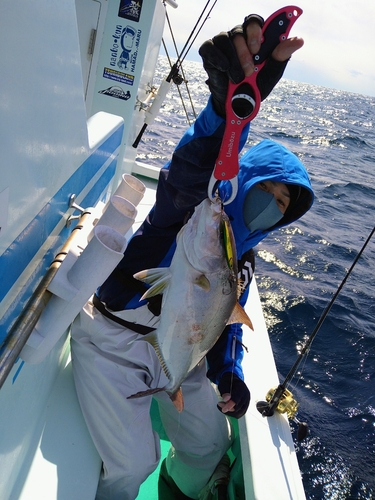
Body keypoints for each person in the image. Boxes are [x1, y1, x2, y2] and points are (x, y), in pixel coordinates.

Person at [70, 13, 314, 500]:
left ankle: (176, 488)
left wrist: (229, 371)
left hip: (177, 353)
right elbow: (187, 175)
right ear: (243, 178)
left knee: (209, 443)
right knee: (132, 462)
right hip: (113, 344)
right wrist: (226, 115)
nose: (270, 205)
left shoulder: (241, 257)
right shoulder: (192, 213)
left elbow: (223, 317)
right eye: (265, 189)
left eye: (282, 206)